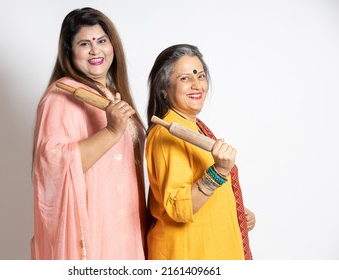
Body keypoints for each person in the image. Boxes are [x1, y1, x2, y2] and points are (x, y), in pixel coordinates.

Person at [31, 7, 147, 260]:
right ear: (69, 52)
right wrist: (112, 131)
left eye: (102, 41)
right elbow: (53, 165)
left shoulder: (112, 92)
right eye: (85, 43)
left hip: (128, 224)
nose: (96, 50)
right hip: (94, 230)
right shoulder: (62, 98)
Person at [145, 44, 255, 260]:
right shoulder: (167, 134)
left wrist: (235, 211)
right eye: (185, 78)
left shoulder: (194, 127)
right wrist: (219, 172)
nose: (197, 85)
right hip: (188, 255)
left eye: (201, 76)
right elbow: (179, 206)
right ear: (164, 89)